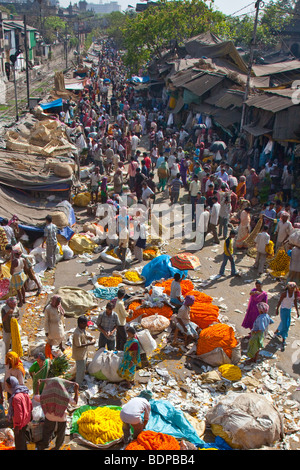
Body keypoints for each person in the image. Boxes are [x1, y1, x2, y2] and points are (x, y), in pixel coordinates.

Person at [36, 377, 79, 450]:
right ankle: (57, 446)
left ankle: (45, 444)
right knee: (61, 433)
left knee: (47, 431)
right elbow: (75, 402)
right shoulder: (64, 395)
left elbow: (36, 397)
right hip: (61, 416)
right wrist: (76, 390)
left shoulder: (46, 394)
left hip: (49, 416)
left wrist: (38, 386)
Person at [6, 376, 32, 450]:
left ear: (11, 384)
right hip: (26, 420)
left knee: (19, 442)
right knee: (23, 440)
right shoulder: (23, 391)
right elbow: (30, 405)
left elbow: (18, 413)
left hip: (20, 423)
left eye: (8, 384)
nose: (7, 386)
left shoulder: (16, 397)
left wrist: (17, 426)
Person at [72, 315, 96, 389]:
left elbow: (84, 336)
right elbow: (78, 345)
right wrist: (90, 343)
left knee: (82, 370)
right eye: (85, 324)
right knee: (80, 371)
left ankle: (80, 382)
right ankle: (78, 385)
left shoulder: (82, 330)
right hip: (79, 355)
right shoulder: (77, 333)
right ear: (81, 324)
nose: (86, 326)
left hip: (83, 354)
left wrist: (88, 338)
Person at [275, 282, 299, 349]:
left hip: (288, 310)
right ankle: (284, 339)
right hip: (283, 310)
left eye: (293, 289)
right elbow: (279, 301)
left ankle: (277, 331)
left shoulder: (294, 294)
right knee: (286, 325)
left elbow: (295, 302)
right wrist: (277, 309)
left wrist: (297, 311)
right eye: (291, 289)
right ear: (288, 288)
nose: (291, 290)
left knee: (285, 322)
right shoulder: (284, 294)